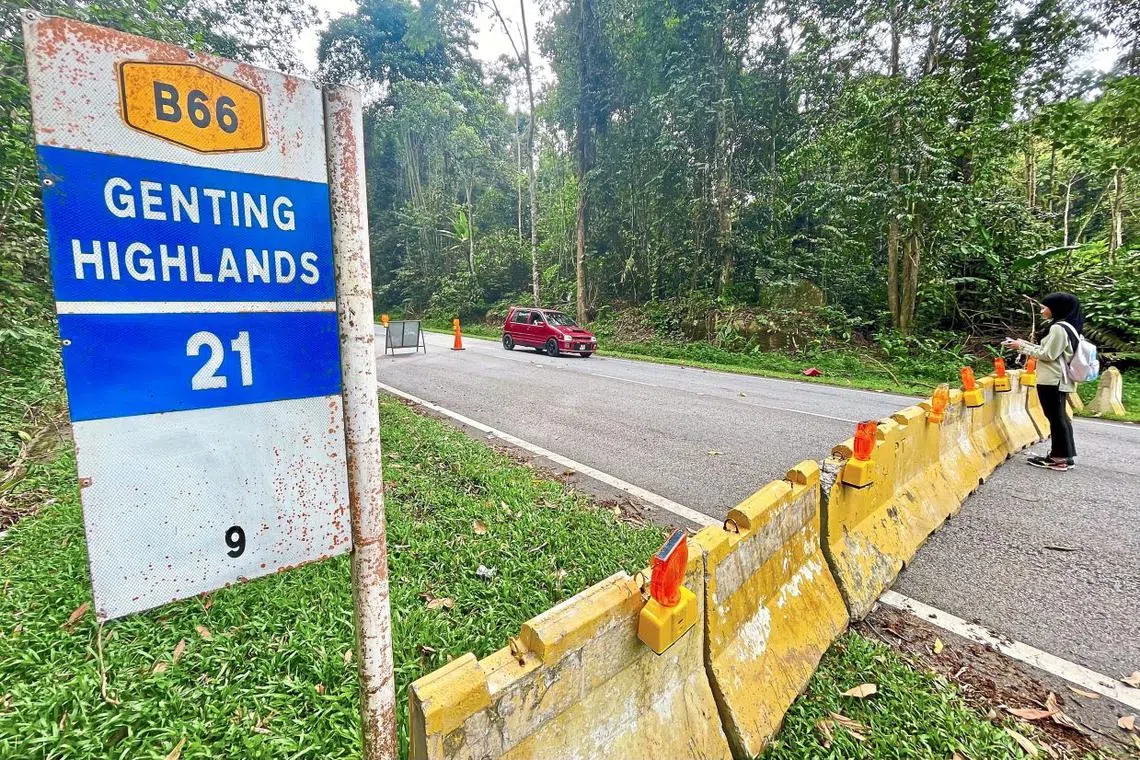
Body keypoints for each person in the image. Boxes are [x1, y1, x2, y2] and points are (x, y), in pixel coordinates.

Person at [1004, 292, 1082, 471]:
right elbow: (1049, 350)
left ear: (1056, 308)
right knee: (1060, 418)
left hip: (1052, 380)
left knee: (1056, 418)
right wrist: (1023, 343)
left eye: (1043, 307)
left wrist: (1021, 347)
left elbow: (1048, 355)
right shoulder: (1068, 326)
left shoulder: (1058, 329)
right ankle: (1064, 456)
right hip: (1059, 379)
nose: (1041, 311)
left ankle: (1058, 458)